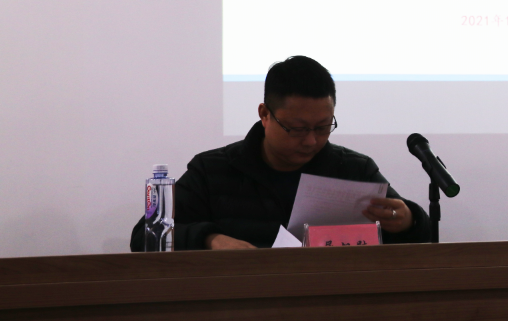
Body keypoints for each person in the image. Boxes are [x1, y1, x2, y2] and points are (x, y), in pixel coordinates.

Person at [130, 56, 430, 250]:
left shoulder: (354, 169)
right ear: (265, 114)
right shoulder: (213, 170)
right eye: (297, 129)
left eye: (323, 127)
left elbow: (421, 234)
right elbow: (143, 236)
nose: (311, 140)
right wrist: (210, 239)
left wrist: (408, 221)